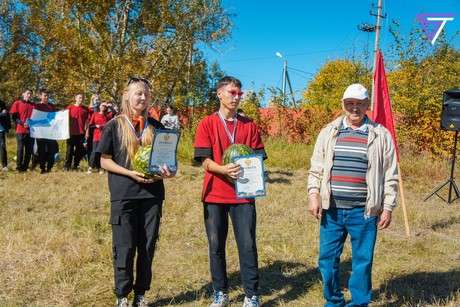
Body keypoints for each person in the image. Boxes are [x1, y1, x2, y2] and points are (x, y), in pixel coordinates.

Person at [307, 83, 399, 307]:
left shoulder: (380, 134)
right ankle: (334, 300)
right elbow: (316, 167)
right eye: (350, 104)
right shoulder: (329, 131)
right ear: (343, 105)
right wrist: (314, 194)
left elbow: (391, 174)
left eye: (360, 104)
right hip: (332, 210)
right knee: (327, 260)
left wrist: (387, 207)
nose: (354, 108)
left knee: (362, 262)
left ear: (367, 105)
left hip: (364, 212)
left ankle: (359, 303)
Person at [97, 77, 174, 307]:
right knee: (125, 246)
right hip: (124, 194)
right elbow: (104, 161)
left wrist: (168, 173)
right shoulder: (115, 125)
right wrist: (130, 173)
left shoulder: (157, 127)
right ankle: (122, 295)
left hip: (152, 196)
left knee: (147, 245)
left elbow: (170, 165)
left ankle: (141, 294)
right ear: (127, 95)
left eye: (146, 95)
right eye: (138, 93)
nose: (142, 98)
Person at [193, 76, 267, 307]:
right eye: (232, 93)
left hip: (244, 195)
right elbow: (204, 161)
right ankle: (220, 292)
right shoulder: (207, 123)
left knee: (247, 244)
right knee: (216, 245)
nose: (236, 97)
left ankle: (252, 295)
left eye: (239, 94)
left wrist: (256, 175)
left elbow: (258, 159)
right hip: (215, 194)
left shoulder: (249, 125)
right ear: (220, 94)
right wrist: (222, 169)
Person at [34, 89, 59, 173]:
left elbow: (56, 117)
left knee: (51, 150)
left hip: (50, 132)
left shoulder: (52, 106)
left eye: (47, 96)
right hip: (40, 132)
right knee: (41, 150)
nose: (46, 97)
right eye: (45, 95)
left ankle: (49, 167)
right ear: (40, 96)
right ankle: (42, 167)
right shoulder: (37, 106)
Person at [87, 101, 117, 173]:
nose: (103, 107)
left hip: (104, 136)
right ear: (99, 106)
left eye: (105, 106)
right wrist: (96, 126)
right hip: (96, 136)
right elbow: (90, 125)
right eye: (102, 105)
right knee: (94, 152)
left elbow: (114, 112)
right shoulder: (95, 114)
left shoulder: (107, 115)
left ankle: (101, 167)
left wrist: (108, 105)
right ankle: (91, 166)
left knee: (102, 152)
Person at [10, 88, 35, 172]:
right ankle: (19, 167)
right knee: (20, 149)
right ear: (23, 94)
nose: (29, 95)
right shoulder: (17, 103)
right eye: (28, 93)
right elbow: (14, 117)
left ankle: (25, 166)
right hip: (20, 130)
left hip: (31, 131)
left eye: (30, 94)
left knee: (29, 150)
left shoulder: (33, 105)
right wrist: (21, 123)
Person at [65, 93, 90, 171]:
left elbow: (87, 122)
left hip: (81, 133)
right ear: (75, 98)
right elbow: (63, 118)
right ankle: (67, 166)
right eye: (79, 98)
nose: (81, 100)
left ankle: (76, 166)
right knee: (69, 151)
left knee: (78, 151)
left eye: (82, 98)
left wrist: (86, 133)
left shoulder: (85, 109)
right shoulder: (70, 107)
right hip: (71, 133)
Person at [0, 99, 11, 171]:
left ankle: (4, 166)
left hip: (1, 129)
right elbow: (2, 114)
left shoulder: (1, 103)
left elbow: (6, 114)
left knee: (2, 147)